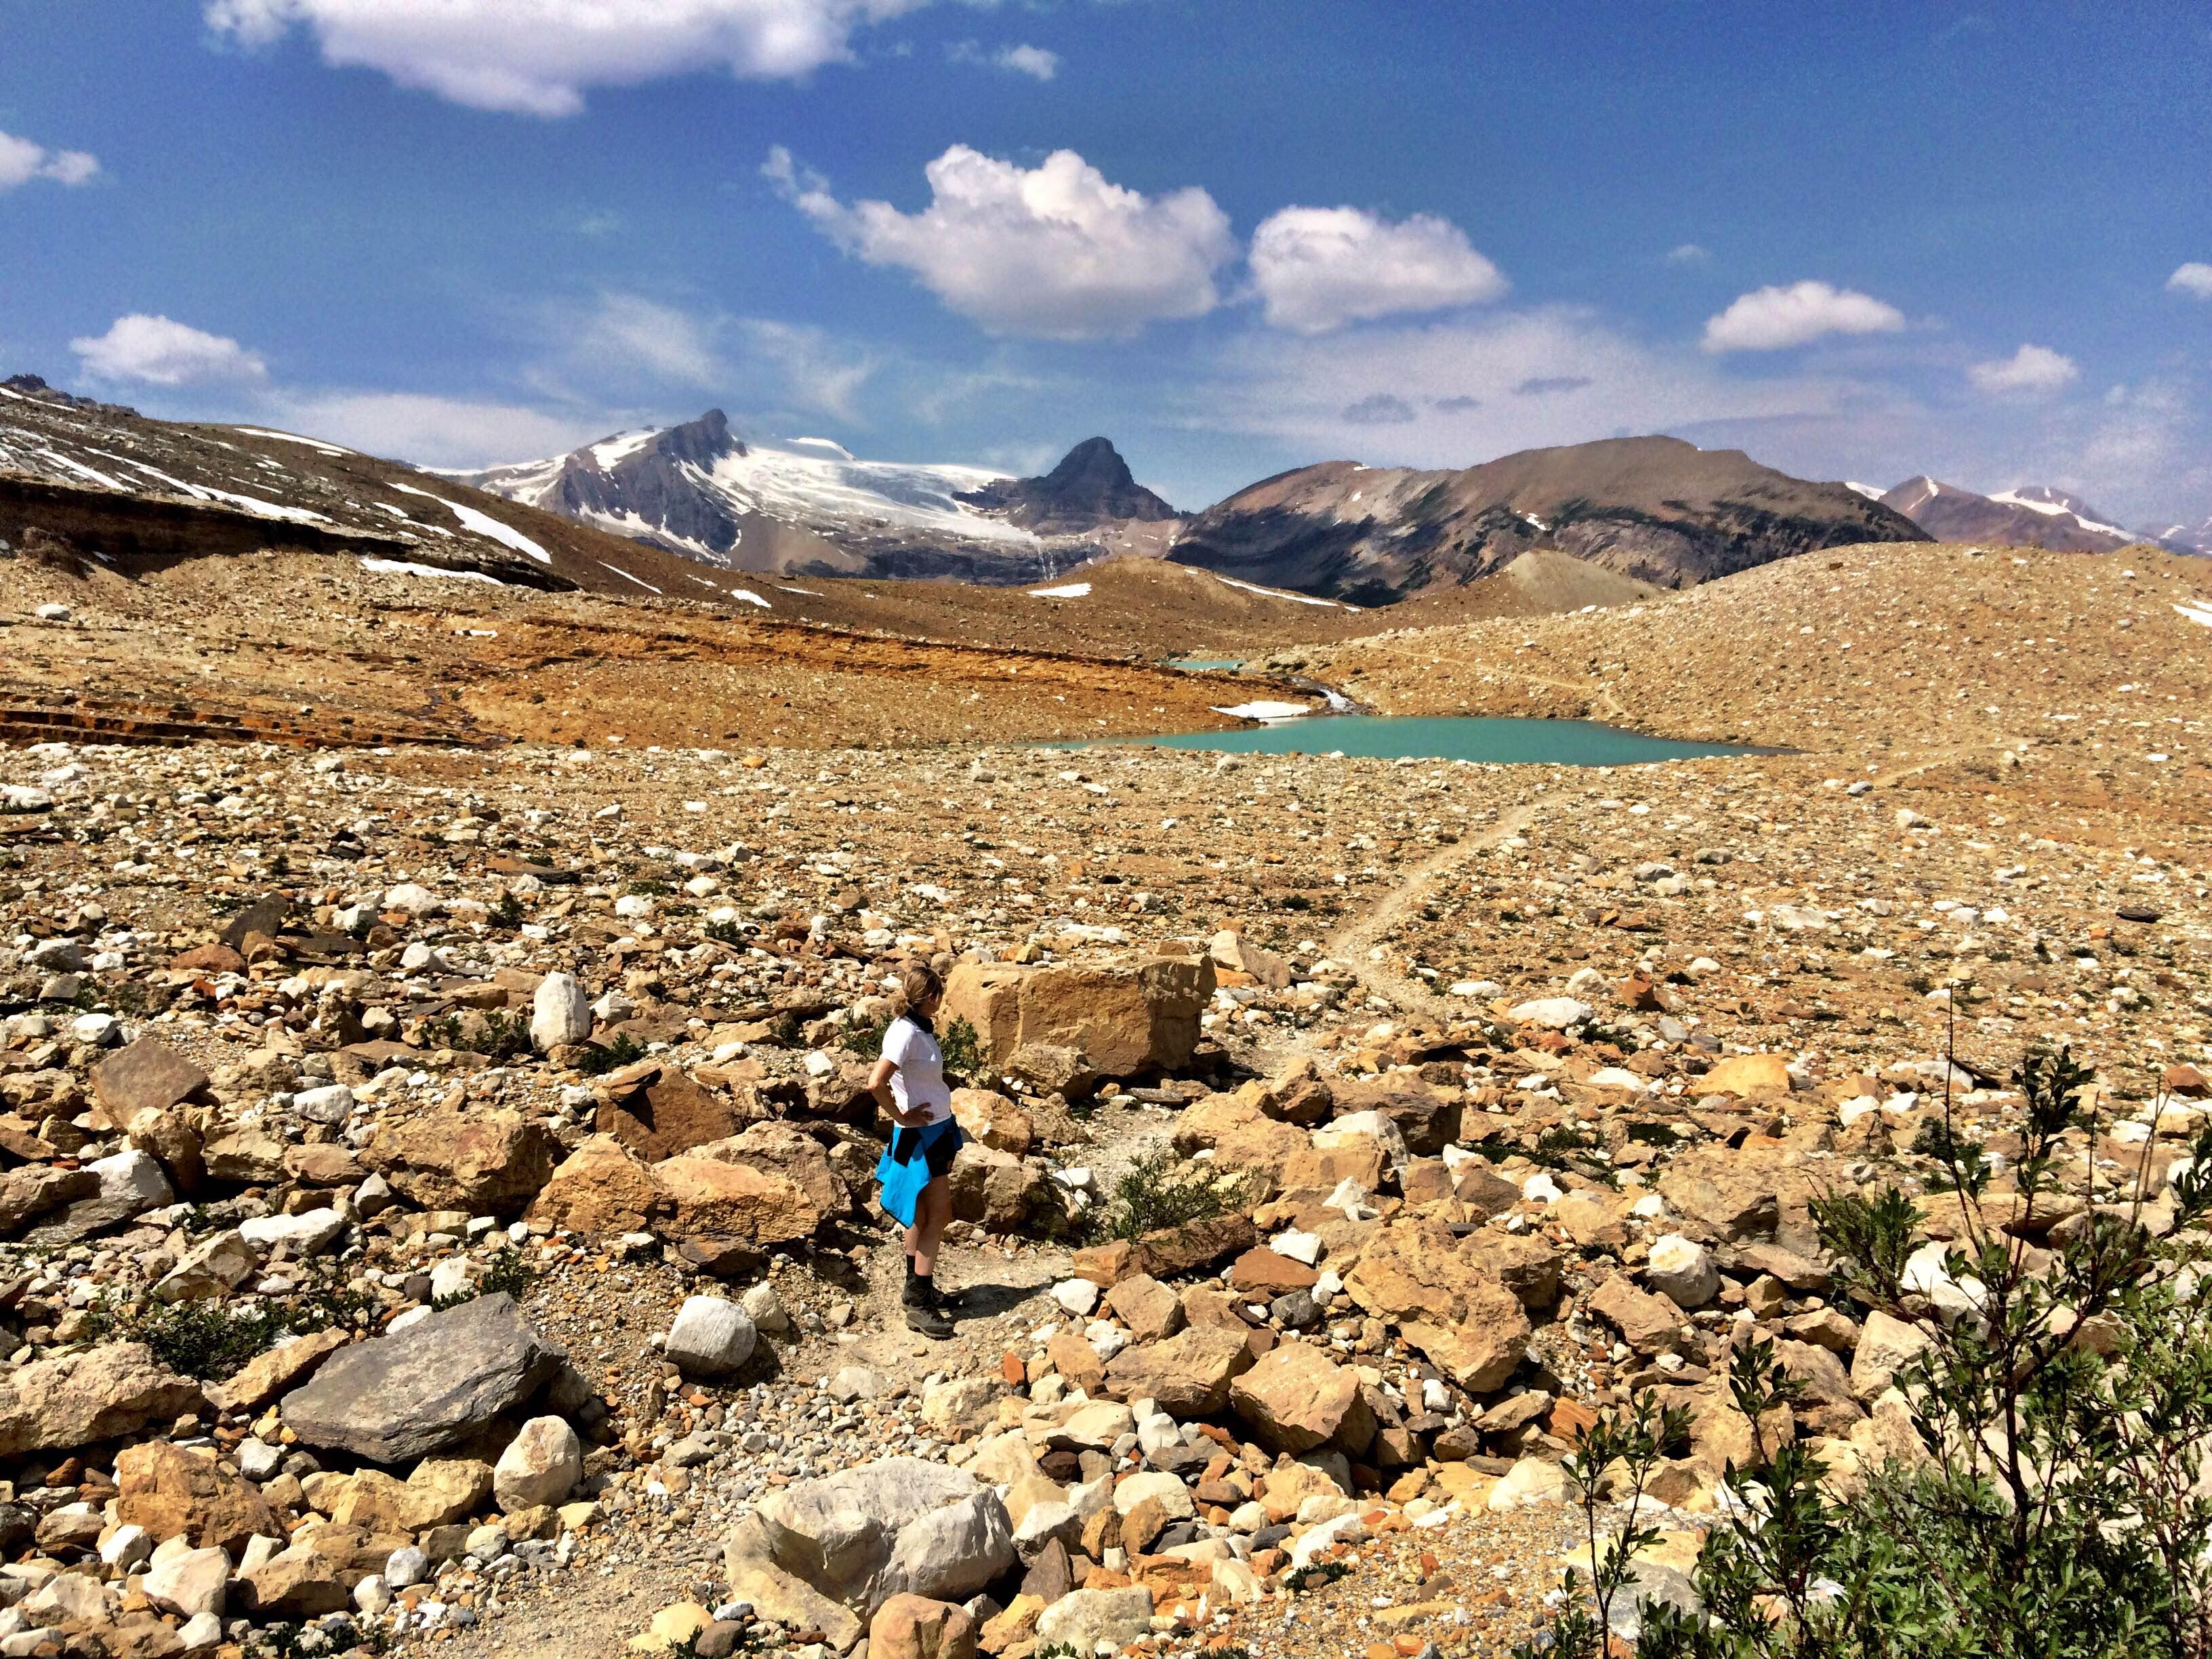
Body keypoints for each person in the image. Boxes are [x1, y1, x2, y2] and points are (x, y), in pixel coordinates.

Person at [869, 963, 962, 1338]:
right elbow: (875, 1083)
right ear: (933, 996)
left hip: (933, 1129)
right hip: (920, 1135)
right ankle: (920, 1302)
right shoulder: (905, 1033)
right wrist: (901, 1115)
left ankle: (917, 1288)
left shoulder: (918, 1029)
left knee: (921, 1215)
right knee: (939, 1215)